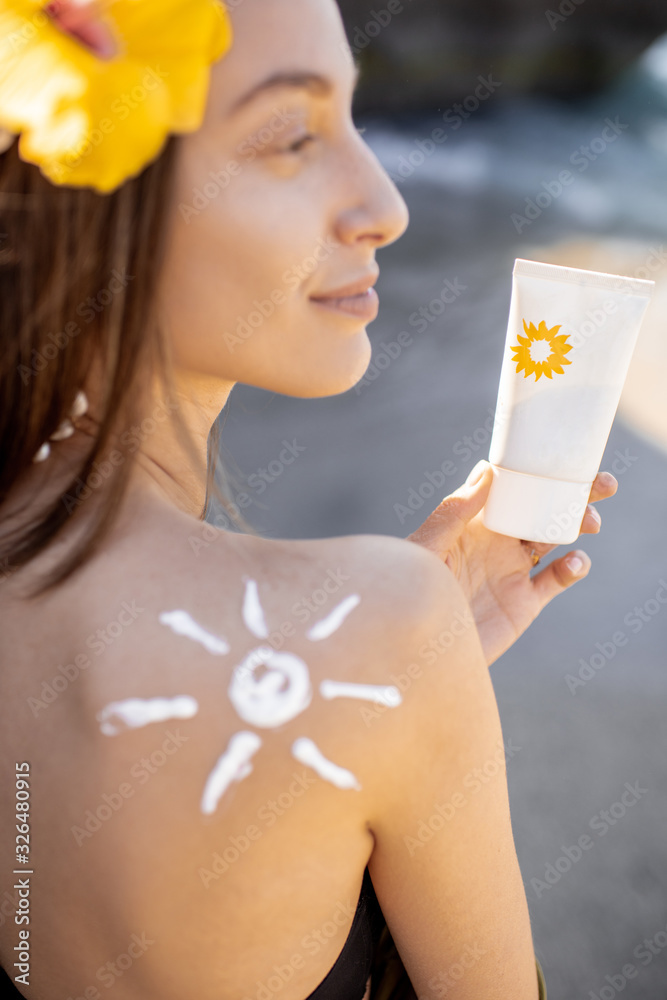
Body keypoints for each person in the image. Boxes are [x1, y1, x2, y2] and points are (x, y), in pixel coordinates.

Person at [0, 1, 617, 997]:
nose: (383, 203)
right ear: (89, 196)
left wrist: (407, 680)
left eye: (352, 125)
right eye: (294, 136)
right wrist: (396, 656)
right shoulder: (383, 628)